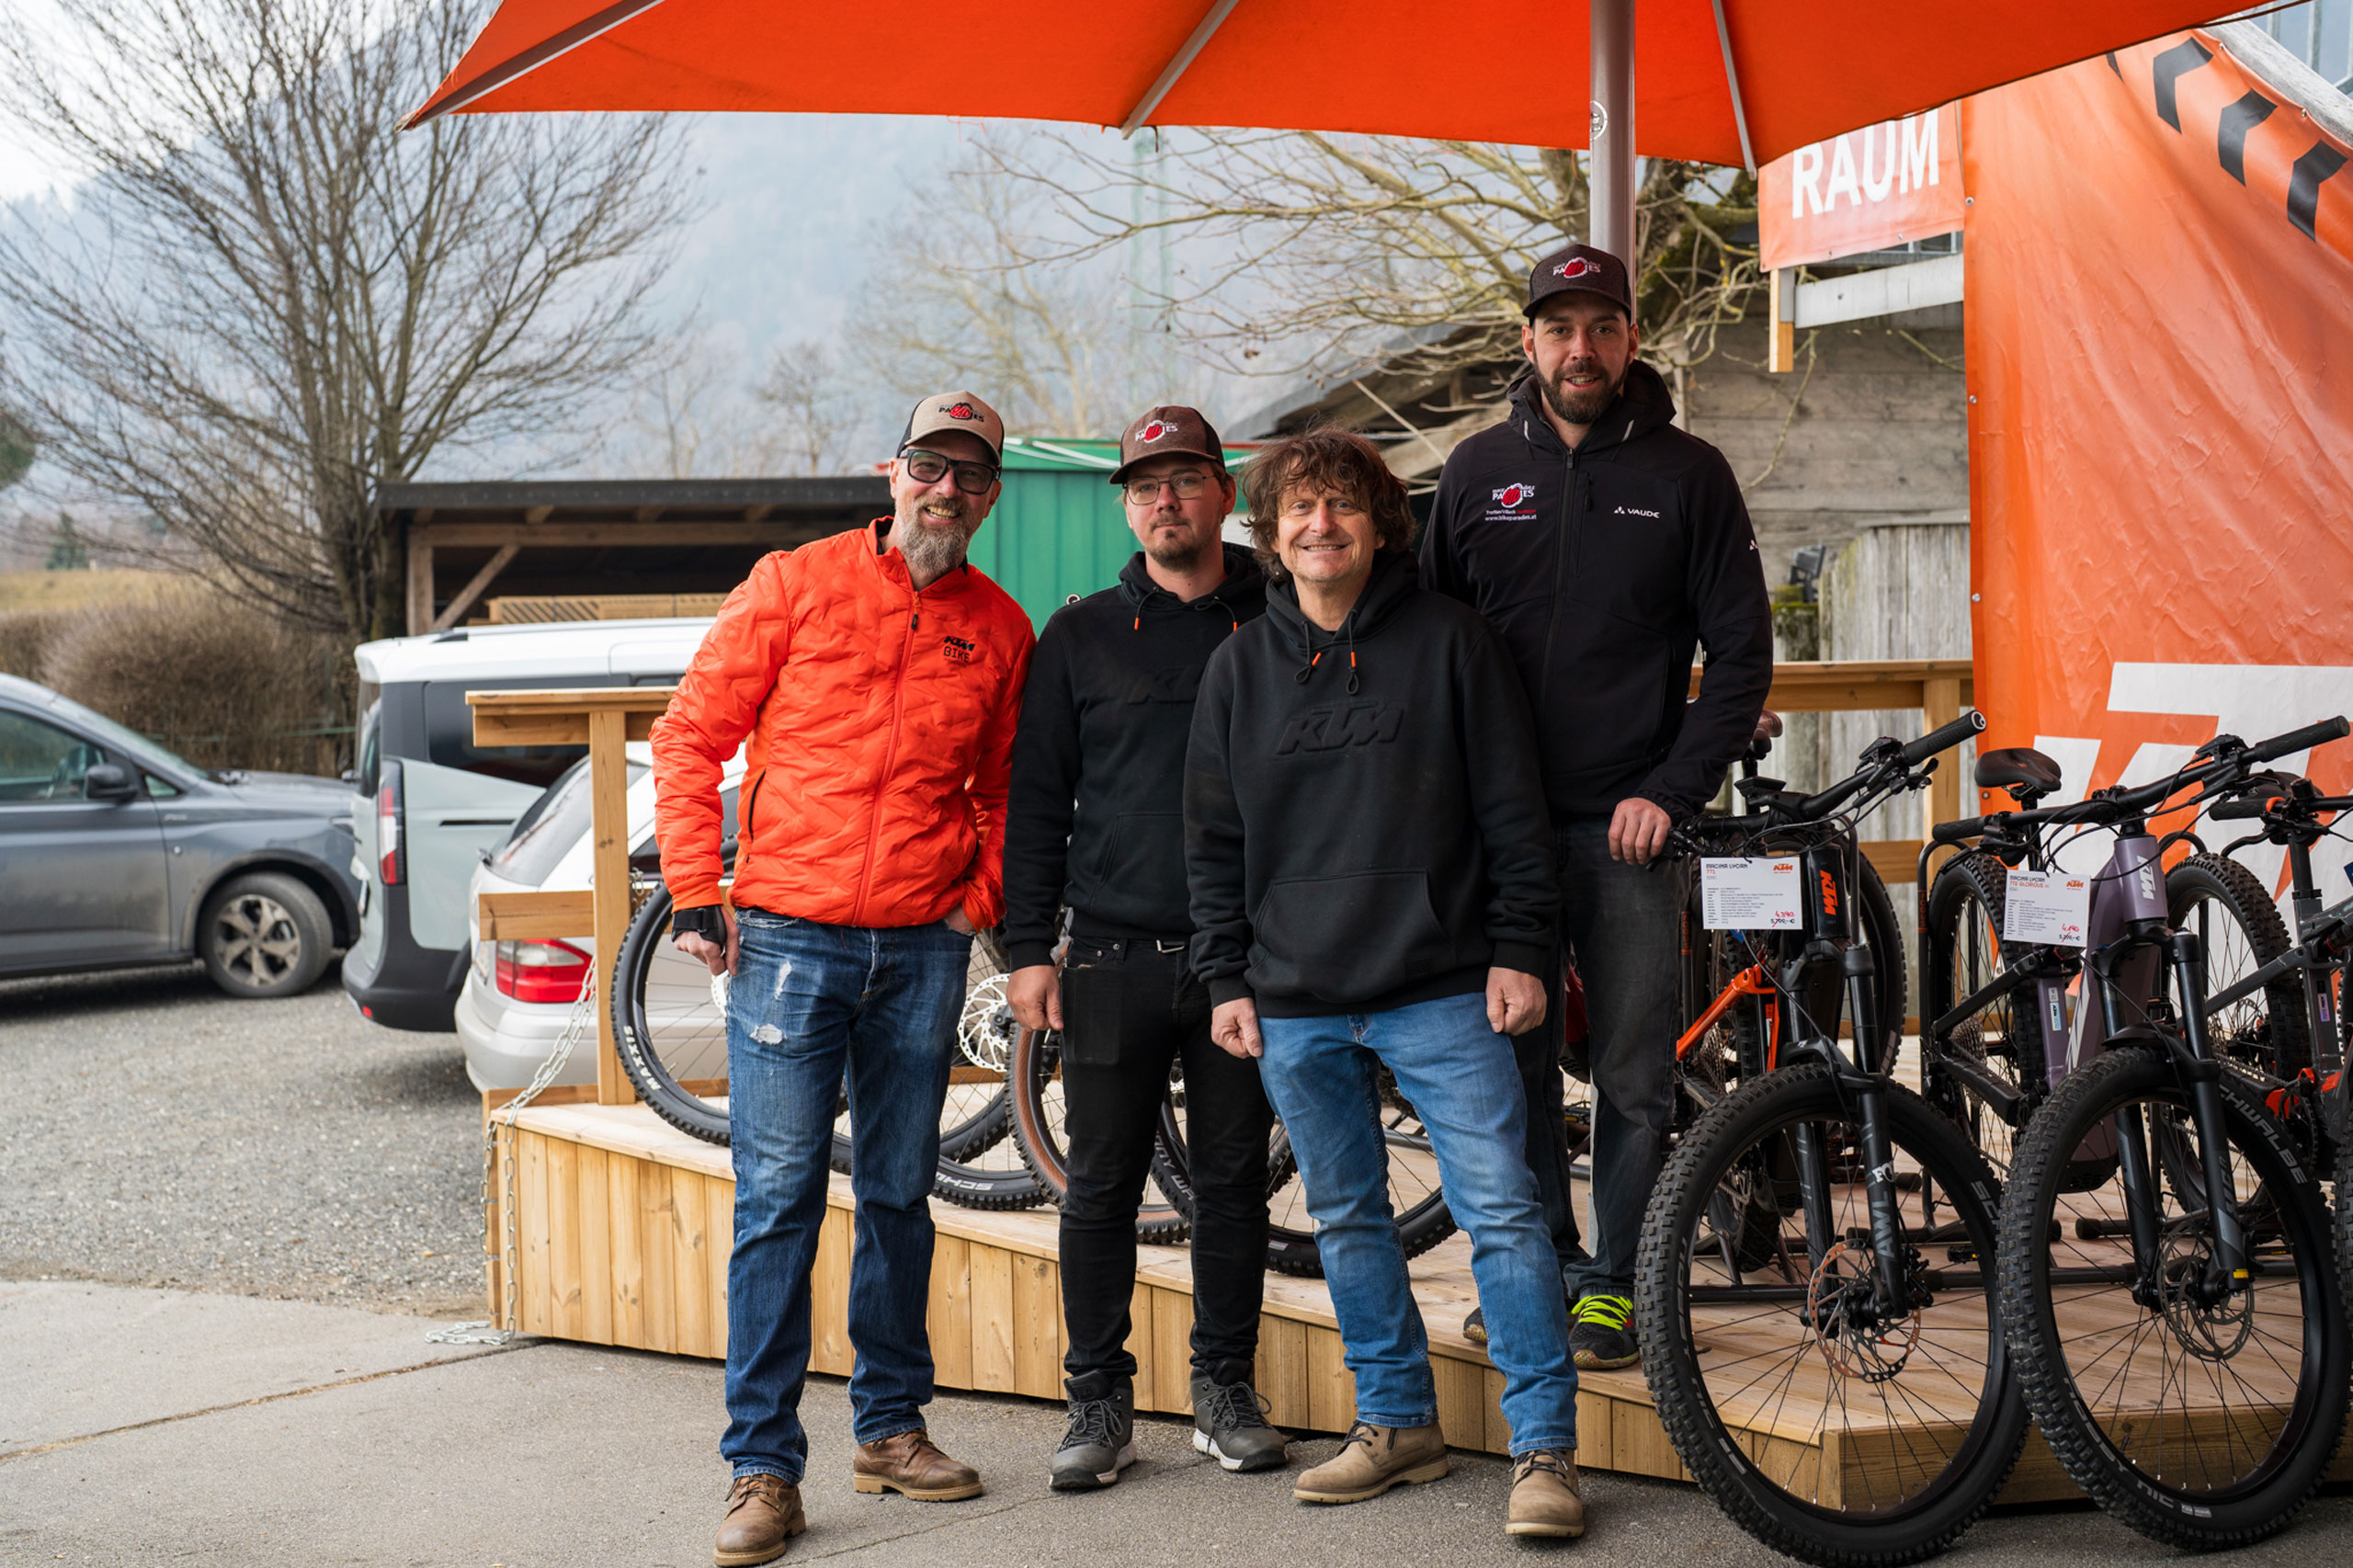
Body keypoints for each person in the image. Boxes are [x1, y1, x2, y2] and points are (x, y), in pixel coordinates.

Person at [650, 392, 1037, 1568]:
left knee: (900, 1192)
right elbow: (688, 735)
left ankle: (890, 1427)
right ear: (892, 470)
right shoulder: (795, 582)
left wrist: (974, 901)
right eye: (929, 465)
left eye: (970, 475)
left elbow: (1007, 792)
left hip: (921, 947)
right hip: (788, 939)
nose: (945, 490)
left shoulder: (1000, 628)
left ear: (990, 495)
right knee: (777, 1199)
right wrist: (697, 885)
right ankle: (762, 1465)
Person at [1186, 428, 1586, 1539]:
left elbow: (1513, 812)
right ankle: (1397, 1420)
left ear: (1379, 524)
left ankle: (1544, 1447)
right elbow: (1211, 843)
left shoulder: (1454, 642)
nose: (1321, 524)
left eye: (1342, 504)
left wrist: (1520, 949)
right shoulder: (1236, 671)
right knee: (1348, 1215)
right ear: (1271, 536)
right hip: (1294, 996)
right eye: (1300, 508)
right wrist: (1225, 977)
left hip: (1443, 985)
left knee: (1502, 1211)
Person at [1420, 244, 1773, 1371]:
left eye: (1602, 326)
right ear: (1528, 341)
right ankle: (1535, 1271)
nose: (1582, 348)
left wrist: (1670, 788)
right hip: (1496, 833)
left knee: (1631, 1072)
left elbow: (1742, 658)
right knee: (1507, 1068)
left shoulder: (1688, 474)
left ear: (1630, 339)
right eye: (1560, 328)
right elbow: (1426, 643)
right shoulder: (1475, 470)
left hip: (1626, 833)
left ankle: (1614, 1283)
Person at [999, 405, 1287, 1490]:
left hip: (1243, 961)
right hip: (1111, 955)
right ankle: (1097, 1401)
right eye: (1145, 485)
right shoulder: (1077, 635)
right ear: (1126, 505)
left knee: (1232, 1184)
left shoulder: (1281, 613)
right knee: (1099, 1187)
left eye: (1185, 479)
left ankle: (1224, 1390)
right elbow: (1037, 803)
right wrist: (1029, 948)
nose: (1165, 499)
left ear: (1224, 492)